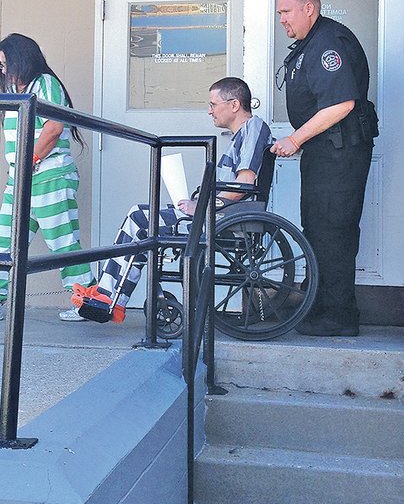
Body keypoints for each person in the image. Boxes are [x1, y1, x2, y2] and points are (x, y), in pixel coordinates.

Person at [71, 77, 272, 324]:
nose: (209, 111)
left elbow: (244, 185)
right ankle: (110, 296)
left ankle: (109, 297)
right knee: (141, 218)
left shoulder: (253, 128)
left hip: (224, 218)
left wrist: (200, 206)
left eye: (213, 104)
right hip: (216, 213)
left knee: (139, 218)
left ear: (234, 104)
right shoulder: (241, 135)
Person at [0, 33, 95, 322]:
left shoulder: (45, 83)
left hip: (49, 175)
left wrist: (28, 161)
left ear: (23, 59)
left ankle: (87, 302)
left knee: (63, 241)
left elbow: (54, 128)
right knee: (5, 240)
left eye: (7, 63)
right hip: (22, 178)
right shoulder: (16, 93)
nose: (3, 70)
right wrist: (19, 169)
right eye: (0, 65)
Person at [271, 0, 378, 337]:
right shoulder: (311, 42)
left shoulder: (329, 42)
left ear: (308, 9)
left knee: (334, 229)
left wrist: (295, 138)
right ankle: (319, 304)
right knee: (318, 228)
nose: (281, 19)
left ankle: (339, 315)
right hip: (325, 152)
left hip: (339, 152)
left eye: (286, 12)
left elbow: (341, 103)